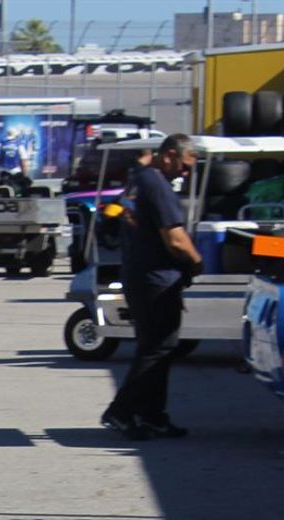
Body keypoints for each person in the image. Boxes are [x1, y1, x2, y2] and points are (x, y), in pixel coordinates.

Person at [102, 133, 203, 441]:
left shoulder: (139, 179)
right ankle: (121, 411)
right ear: (169, 154)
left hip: (139, 274)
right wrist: (197, 262)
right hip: (156, 278)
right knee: (157, 348)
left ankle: (153, 415)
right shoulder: (157, 185)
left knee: (159, 347)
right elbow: (175, 238)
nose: (186, 173)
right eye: (184, 166)